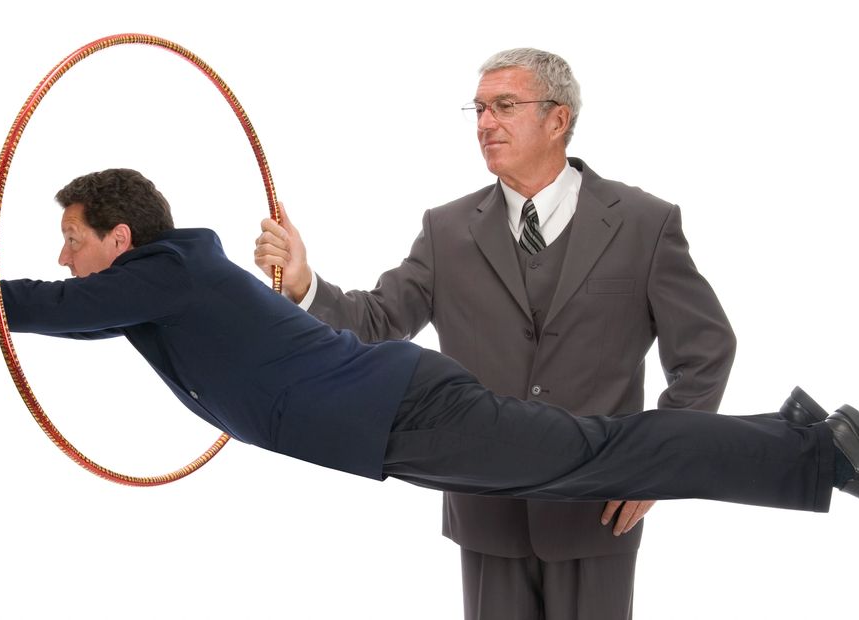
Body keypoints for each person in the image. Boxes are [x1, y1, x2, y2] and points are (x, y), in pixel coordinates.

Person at [0, 168, 859, 560]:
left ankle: (815, 445)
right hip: (403, 433)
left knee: (605, 450)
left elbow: (59, 303)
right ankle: (809, 448)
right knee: (594, 458)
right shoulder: (155, 289)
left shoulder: (170, 261)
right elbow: (67, 304)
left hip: (408, 413)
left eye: (73, 231)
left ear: (119, 234)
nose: (63, 252)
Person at [253, 48, 734, 619]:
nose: (484, 123)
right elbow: (378, 322)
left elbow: (705, 351)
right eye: (479, 109)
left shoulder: (644, 223)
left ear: (558, 120)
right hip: (486, 504)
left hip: (597, 508)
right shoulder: (447, 229)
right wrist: (306, 284)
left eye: (504, 106)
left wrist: (662, 462)